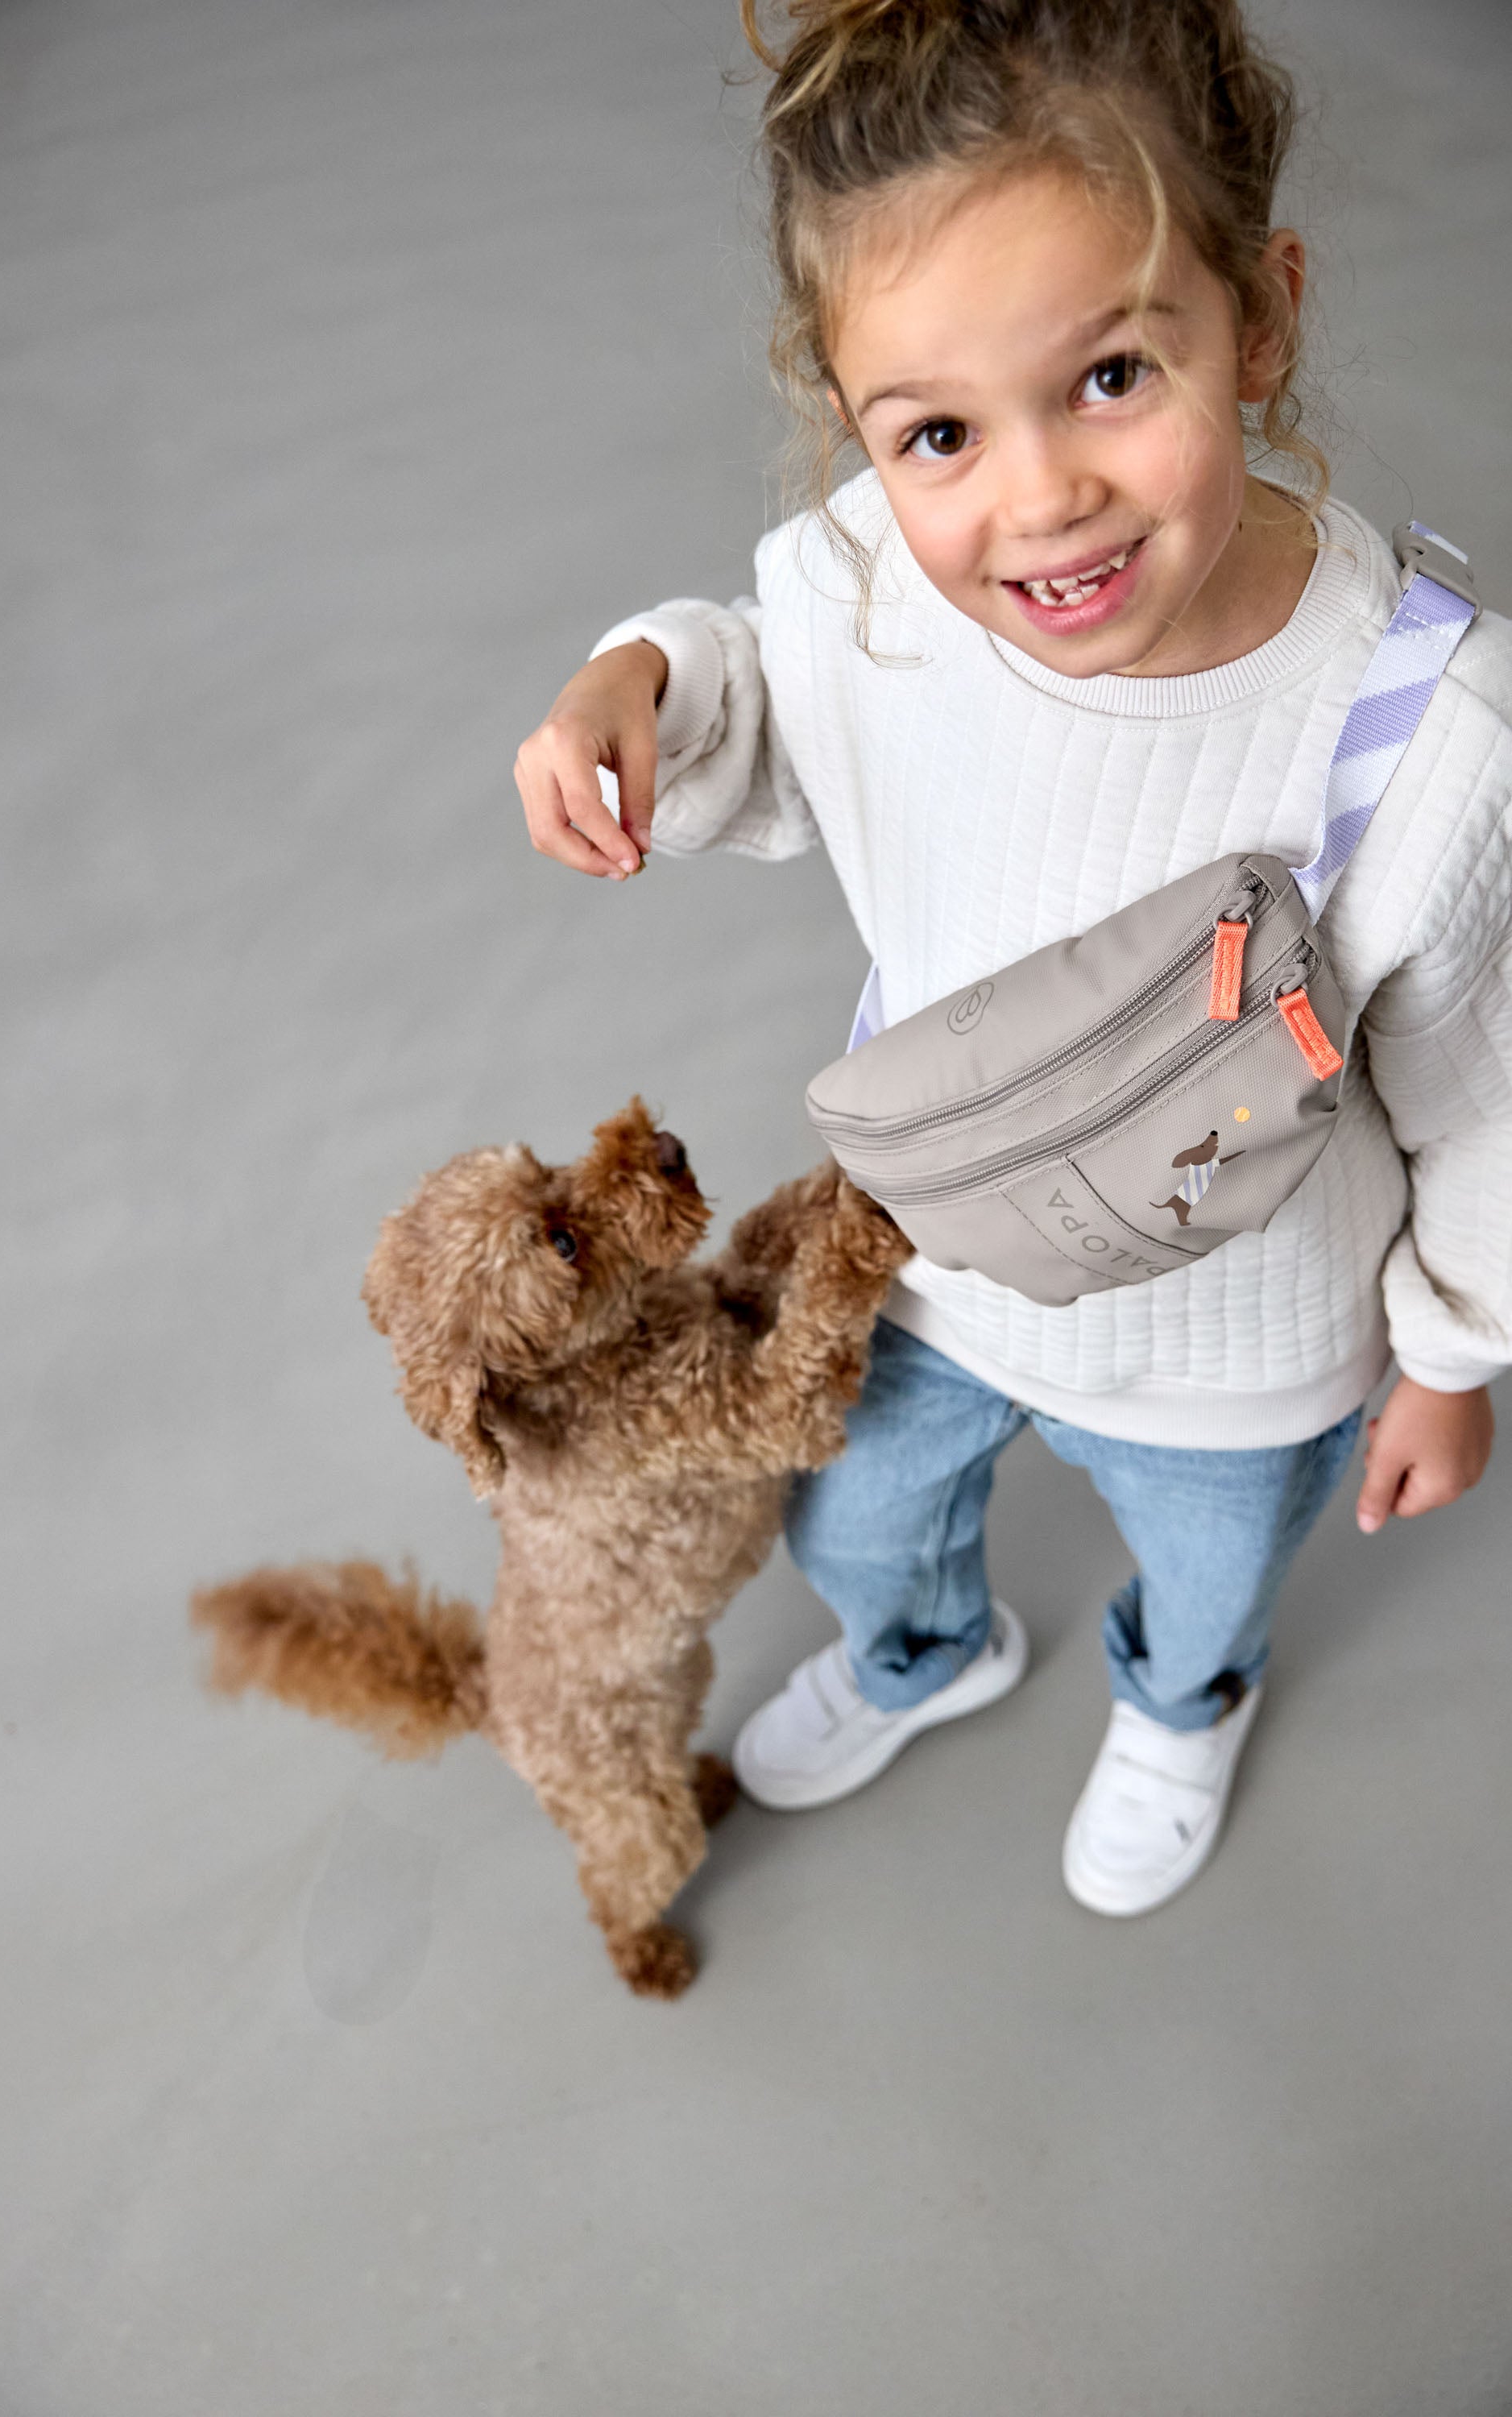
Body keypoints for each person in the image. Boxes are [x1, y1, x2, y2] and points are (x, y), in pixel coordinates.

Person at [512, 0, 1507, 1916]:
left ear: (1263, 314)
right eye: (938, 432)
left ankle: (1184, 1698)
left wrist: (1450, 1357)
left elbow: (1485, 1094)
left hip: (1251, 1336)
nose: (1037, 497)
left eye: (1115, 373)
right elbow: (755, 675)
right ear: (856, 423)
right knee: (853, 1519)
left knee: (1211, 1570)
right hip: (925, 1264)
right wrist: (632, 679)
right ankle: (922, 1647)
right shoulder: (877, 585)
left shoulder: (1430, 726)